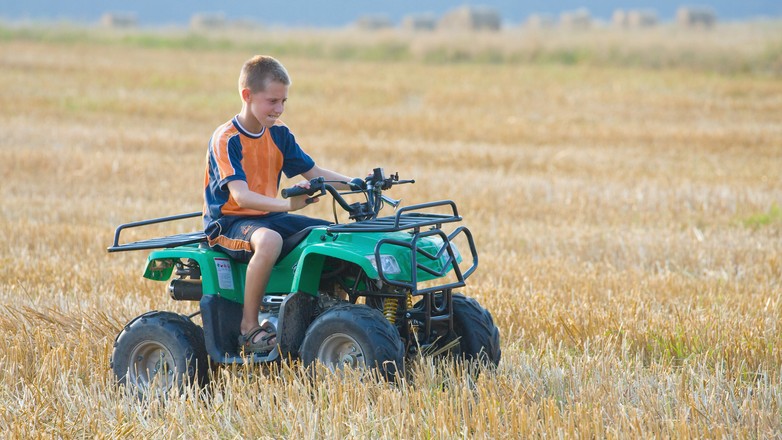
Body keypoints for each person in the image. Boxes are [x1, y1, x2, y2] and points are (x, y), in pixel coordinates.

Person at [203, 55, 356, 354]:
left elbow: (315, 175)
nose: (279, 109)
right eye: (272, 101)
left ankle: (327, 312)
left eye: (284, 101)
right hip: (229, 223)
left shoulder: (279, 132)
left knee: (330, 236)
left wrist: (357, 183)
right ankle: (249, 327)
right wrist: (288, 206)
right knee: (270, 241)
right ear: (247, 96)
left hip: (266, 217)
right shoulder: (227, 138)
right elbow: (241, 197)